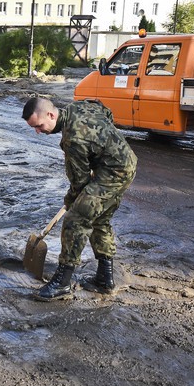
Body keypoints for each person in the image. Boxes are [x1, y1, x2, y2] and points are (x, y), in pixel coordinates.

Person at [22, 97, 137, 302]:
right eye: (33, 128)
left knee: (76, 219)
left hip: (114, 172)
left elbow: (79, 182)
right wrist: (104, 144)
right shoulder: (78, 106)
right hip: (125, 162)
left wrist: (70, 201)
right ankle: (104, 279)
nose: (38, 131)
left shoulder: (72, 140)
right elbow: (104, 109)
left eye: (39, 126)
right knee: (99, 218)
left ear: (51, 115)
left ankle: (62, 283)